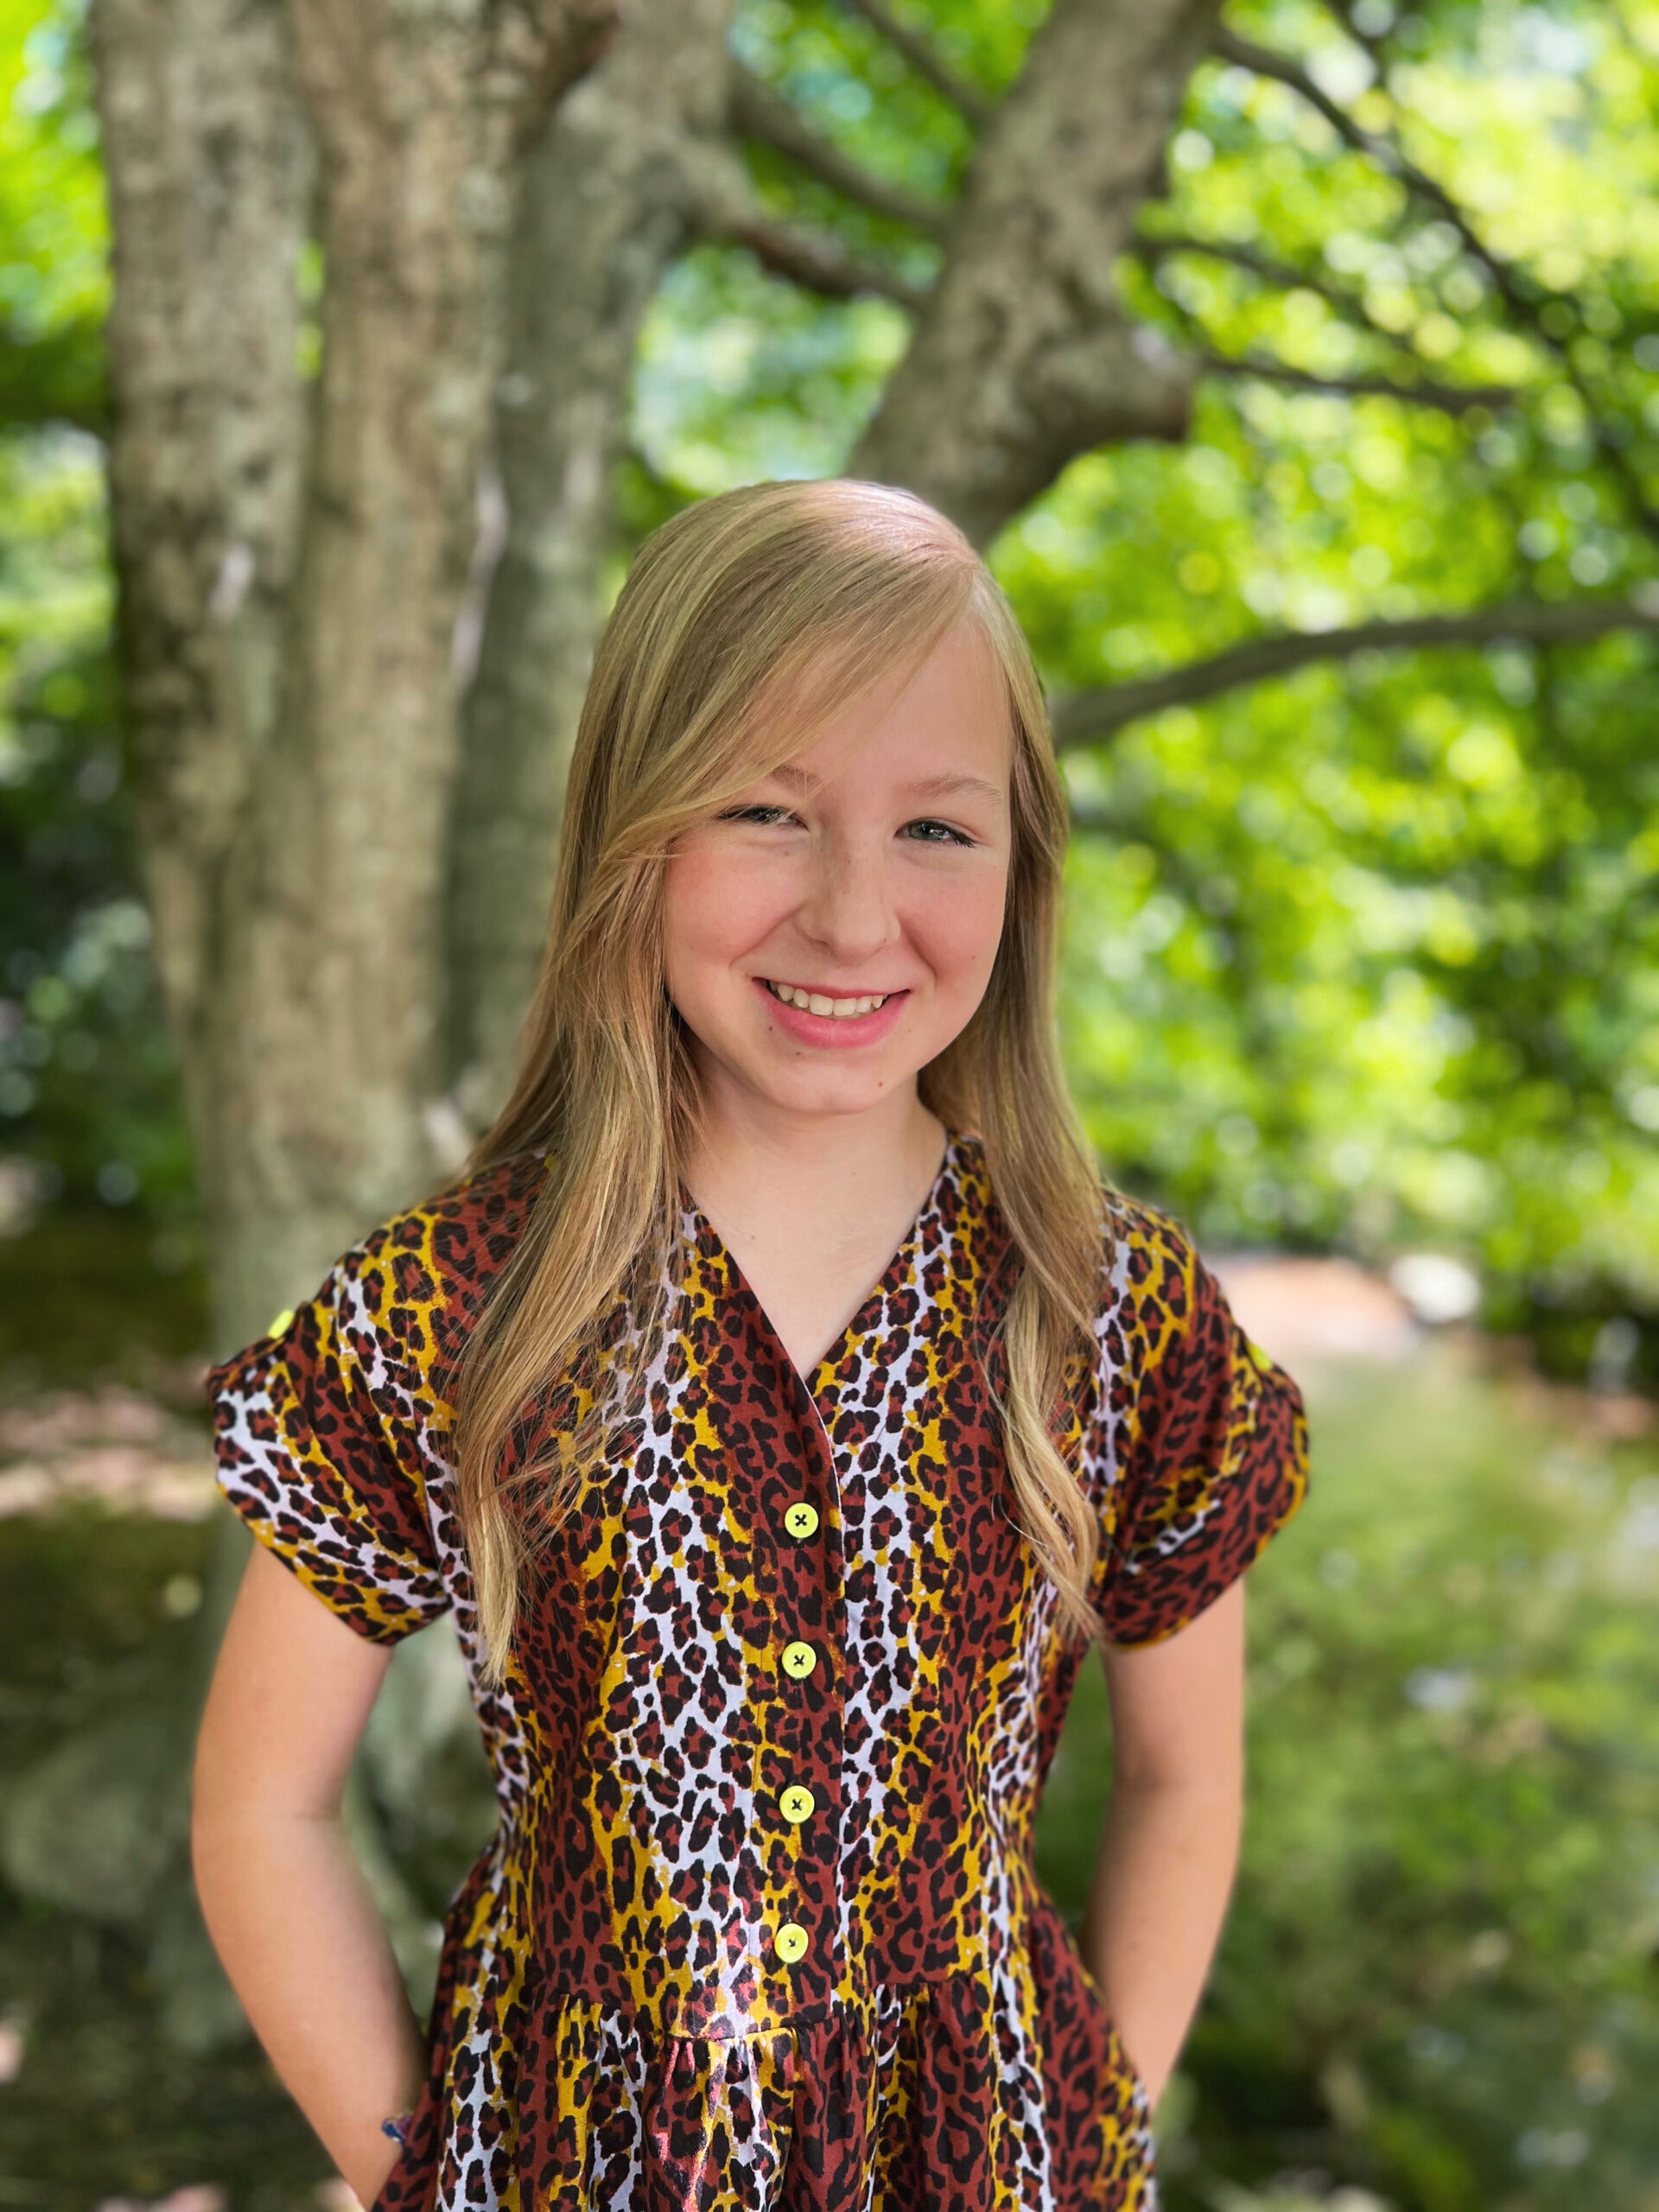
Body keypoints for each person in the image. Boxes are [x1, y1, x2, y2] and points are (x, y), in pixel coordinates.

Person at [193, 479, 1307, 2212]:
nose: (856, 916)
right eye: (767, 811)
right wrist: (422, 2166)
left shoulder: (1110, 1310)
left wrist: (1096, 2127)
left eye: (938, 829)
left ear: (1024, 866)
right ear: (631, 829)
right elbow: (262, 1804)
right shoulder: (467, 1296)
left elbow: (1185, 1775)